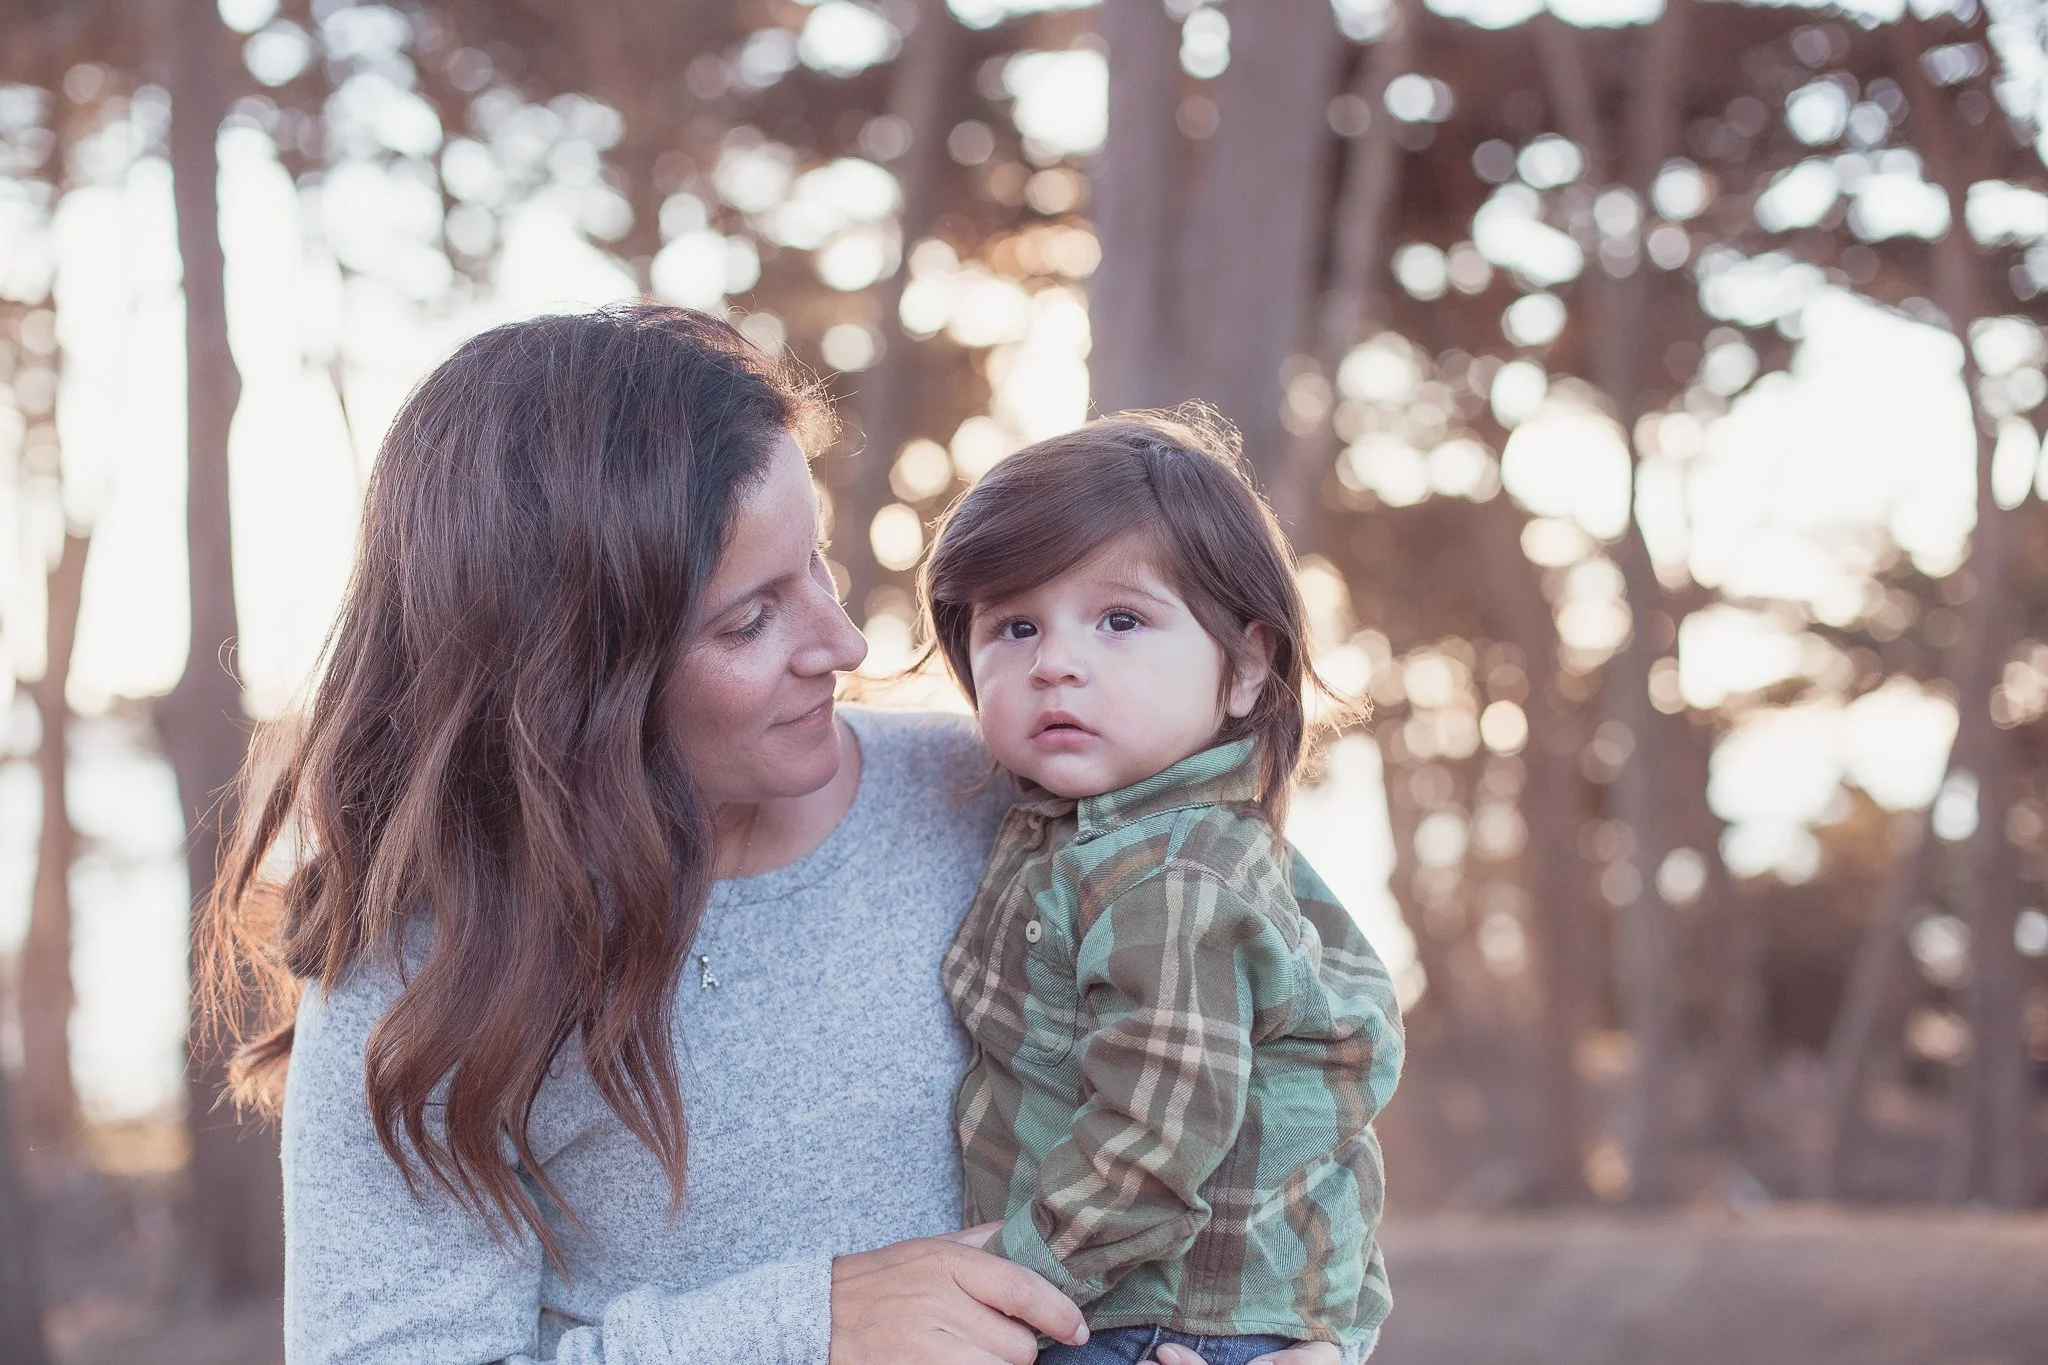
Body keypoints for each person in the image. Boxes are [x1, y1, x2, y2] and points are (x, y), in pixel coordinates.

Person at [198, 304, 1350, 1365]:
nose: (843, 645)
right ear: (572, 685)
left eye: (818, 567)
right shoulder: (422, 970)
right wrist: (804, 1328)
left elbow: (1310, 1082)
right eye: (752, 618)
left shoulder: (1026, 803)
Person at [920, 409, 1404, 1365]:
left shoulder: (1172, 874)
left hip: (1153, 1319)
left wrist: (1011, 1279)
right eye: (1014, 625)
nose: (1055, 660)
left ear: (1245, 669)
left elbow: (1153, 1138)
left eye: (1122, 620)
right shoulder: (1075, 835)